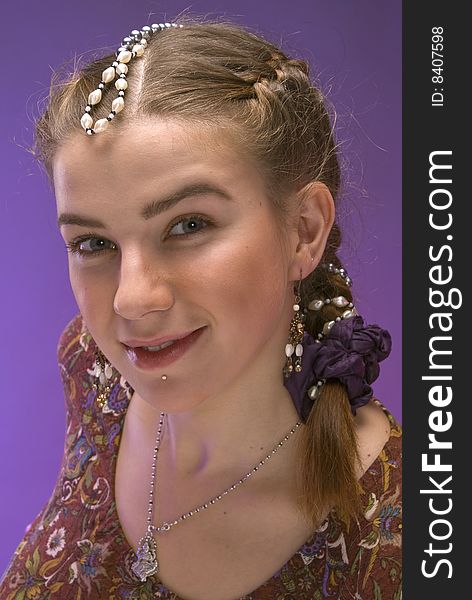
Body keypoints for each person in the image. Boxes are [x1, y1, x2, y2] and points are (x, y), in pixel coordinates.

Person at [0, 16, 402, 600]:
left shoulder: (410, 534)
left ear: (303, 231)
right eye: (94, 243)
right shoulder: (93, 372)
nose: (132, 300)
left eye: (188, 225)